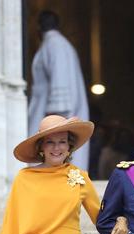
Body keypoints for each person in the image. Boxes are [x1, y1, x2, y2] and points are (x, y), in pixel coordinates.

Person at [28, 10, 90, 171]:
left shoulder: (55, 44)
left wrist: (54, 121)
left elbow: (60, 79)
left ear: (38, 27)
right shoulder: (54, 44)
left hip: (57, 117)